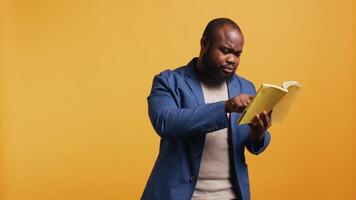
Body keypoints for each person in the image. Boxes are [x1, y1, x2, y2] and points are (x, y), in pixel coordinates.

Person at [141, 18, 272, 200]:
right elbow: (165, 122)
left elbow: (253, 145)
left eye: (237, 54)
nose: (232, 59)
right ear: (204, 43)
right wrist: (226, 106)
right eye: (225, 51)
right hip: (177, 195)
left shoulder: (246, 87)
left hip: (231, 195)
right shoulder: (168, 81)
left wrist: (257, 134)